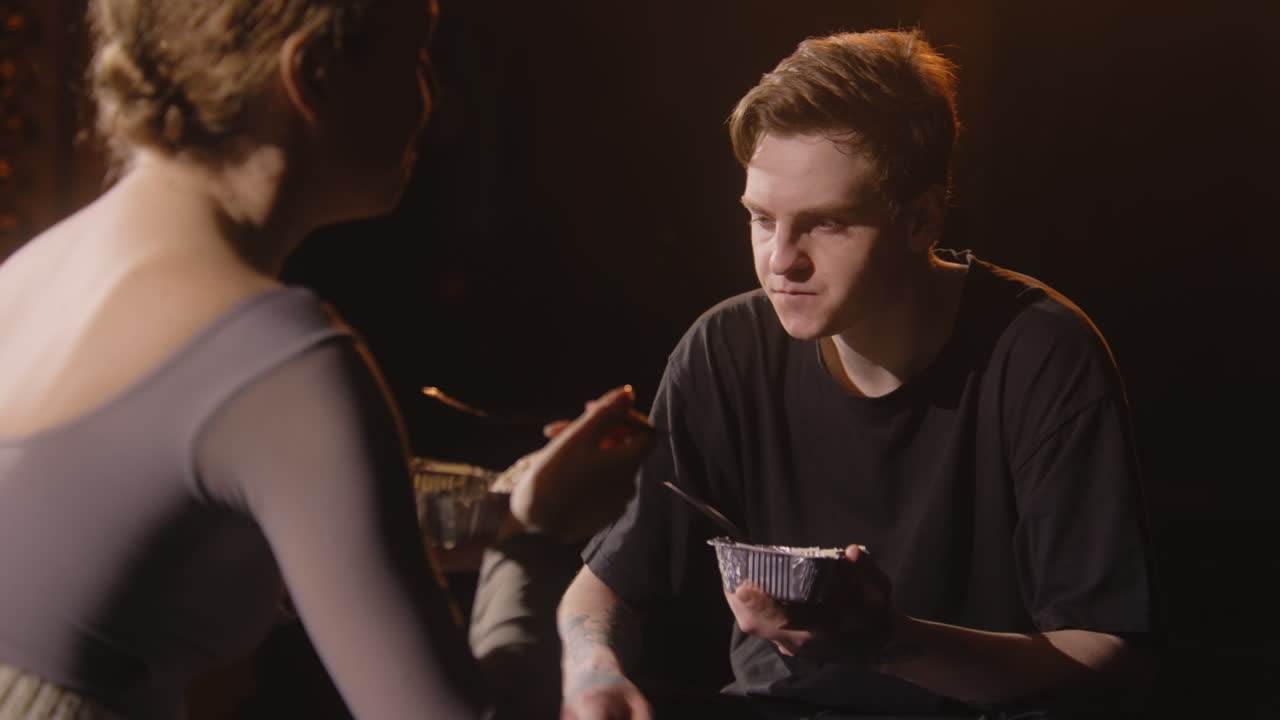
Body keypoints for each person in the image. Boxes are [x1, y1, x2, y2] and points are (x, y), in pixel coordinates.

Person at [0, 1, 654, 718]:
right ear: (312, 73)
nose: (434, 100)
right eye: (416, 60)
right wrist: (533, 536)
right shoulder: (281, 359)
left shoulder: (30, 274)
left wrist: (500, 507)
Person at [558, 29, 1158, 720]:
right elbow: (604, 586)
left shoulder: (1040, 353)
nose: (780, 260)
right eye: (760, 219)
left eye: (825, 225)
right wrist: (589, 675)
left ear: (922, 219)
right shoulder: (726, 347)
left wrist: (887, 643)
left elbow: (1113, 658)